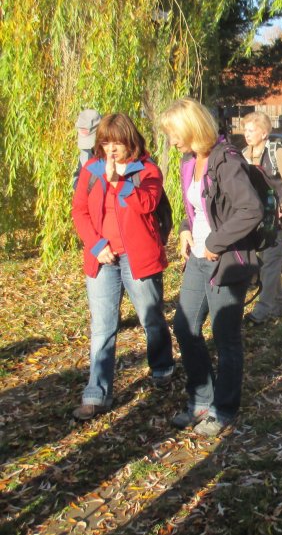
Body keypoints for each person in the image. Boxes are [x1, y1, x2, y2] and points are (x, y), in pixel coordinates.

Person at [159, 98, 262, 437]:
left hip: (226, 261)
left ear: (192, 128)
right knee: (185, 327)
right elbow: (195, 207)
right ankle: (202, 399)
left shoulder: (226, 160)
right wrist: (188, 230)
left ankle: (224, 408)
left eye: (176, 134)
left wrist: (215, 243)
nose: (173, 142)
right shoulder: (190, 161)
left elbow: (250, 210)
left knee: (225, 336)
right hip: (198, 260)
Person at [71, 113, 174, 420]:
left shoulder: (147, 170)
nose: (111, 149)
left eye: (117, 142)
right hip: (103, 257)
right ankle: (96, 393)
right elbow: (79, 211)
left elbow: (148, 204)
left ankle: (162, 367)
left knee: (151, 317)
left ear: (130, 141)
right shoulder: (91, 170)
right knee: (103, 328)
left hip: (138, 257)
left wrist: (120, 182)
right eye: (105, 142)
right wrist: (96, 244)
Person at [240, 112, 282, 325]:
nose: (247, 134)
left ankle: (262, 310)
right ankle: (279, 302)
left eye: (252, 130)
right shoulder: (243, 155)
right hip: (257, 219)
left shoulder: (277, 153)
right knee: (267, 261)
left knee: (269, 262)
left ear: (264, 133)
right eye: (245, 130)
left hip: (279, 218)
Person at [73, 109, 102, 190]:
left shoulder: (113, 150)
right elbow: (78, 173)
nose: (89, 149)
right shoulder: (85, 152)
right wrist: (77, 185)